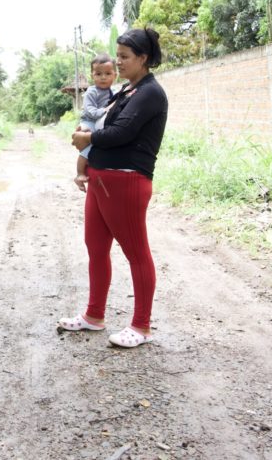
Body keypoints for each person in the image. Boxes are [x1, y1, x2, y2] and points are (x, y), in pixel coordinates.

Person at [58, 27, 168, 348]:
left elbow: (122, 132)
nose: (118, 62)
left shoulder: (150, 93)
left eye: (124, 56)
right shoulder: (126, 90)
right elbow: (104, 122)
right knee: (95, 247)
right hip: (100, 180)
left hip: (127, 181)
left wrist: (88, 138)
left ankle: (141, 326)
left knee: (136, 252)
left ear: (143, 58)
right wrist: (86, 134)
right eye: (117, 55)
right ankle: (94, 316)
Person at [74, 53, 118, 192]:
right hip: (89, 122)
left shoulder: (114, 91)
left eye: (108, 73)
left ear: (115, 75)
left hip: (100, 123)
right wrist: (106, 109)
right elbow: (91, 111)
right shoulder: (91, 92)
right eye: (98, 74)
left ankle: (91, 167)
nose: (103, 77)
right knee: (88, 146)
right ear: (92, 76)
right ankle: (79, 174)